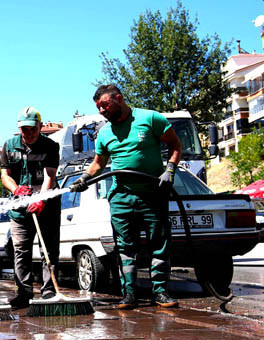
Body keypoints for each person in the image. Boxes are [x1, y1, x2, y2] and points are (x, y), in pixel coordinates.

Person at [71, 84, 182, 309]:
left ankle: (160, 292)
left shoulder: (150, 119)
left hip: (153, 193)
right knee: (125, 247)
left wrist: (170, 170)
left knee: (159, 244)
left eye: (104, 105)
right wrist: (84, 178)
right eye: (99, 108)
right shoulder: (104, 133)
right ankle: (129, 294)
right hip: (121, 197)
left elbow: (175, 145)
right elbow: (99, 163)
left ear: (119, 99)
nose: (102, 111)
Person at [0, 106, 61, 310]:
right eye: (25, 129)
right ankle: (23, 292)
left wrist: (41, 199)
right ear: (19, 129)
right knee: (21, 250)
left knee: (49, 249)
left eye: (33, 128)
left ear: (40, 127)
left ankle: (49, 290)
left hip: (47, 206)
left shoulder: (50, 146)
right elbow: (5, 176)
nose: (29, 133)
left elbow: (50, 175)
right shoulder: (9, 146)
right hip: (19, 209)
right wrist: (16, 190)